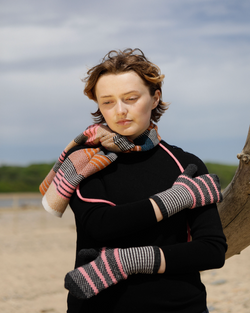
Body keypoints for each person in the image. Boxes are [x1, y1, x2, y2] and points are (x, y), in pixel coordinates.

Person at [40, 48, 227, 313]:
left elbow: (212, 249)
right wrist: (177, 199)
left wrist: (130, 261)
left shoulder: (186, 164)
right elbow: (101, 226)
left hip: (181, 306)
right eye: (107, 102)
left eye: (131, 98)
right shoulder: (85, 159)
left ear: (154, 98)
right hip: (100, 307)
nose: (120, 110)